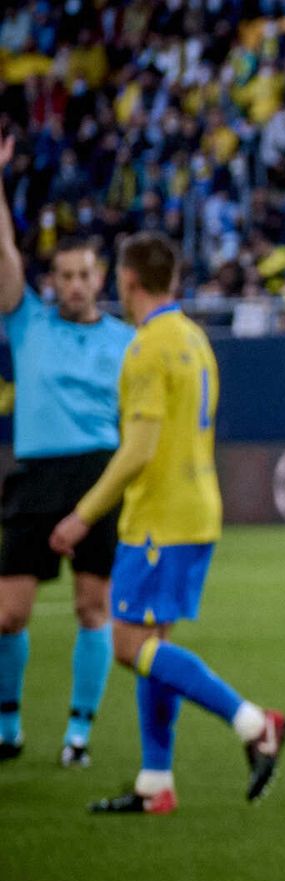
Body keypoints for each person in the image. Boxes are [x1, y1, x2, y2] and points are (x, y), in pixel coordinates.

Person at [48, 232, 285, 814]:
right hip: (197, 511)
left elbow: (137, 450)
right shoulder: (195, 340)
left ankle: (256, 723)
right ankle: (156, 782)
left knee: (130, 645)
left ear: (127, 281)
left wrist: (81, 517)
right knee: (155, 646)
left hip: (159, 518)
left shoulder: (147, 348)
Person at [0, 134, 134, 768]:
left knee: (91, 606)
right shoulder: (27, 322)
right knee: (8, 612)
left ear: (99, 278)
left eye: (85, 275)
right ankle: (9, 725)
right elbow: (4, 257)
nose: (76, 284)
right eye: (65, 275)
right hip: (35, 476)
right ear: (51, 280)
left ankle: (78, 735)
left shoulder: (127, 341)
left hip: (98, 475)